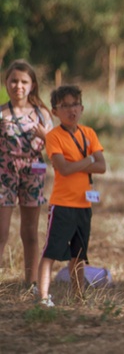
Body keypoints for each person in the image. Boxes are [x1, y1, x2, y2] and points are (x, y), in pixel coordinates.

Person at [36, 85, 107, 307]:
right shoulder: (53, 137)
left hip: (84, 204)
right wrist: (87, 162)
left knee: (78, 255)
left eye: (75, 104)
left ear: (82, 107)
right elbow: (63, 169)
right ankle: (43, 297)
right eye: (64, 106)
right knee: (51, 252)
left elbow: (102, 166)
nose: (71, 110)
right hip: (62, 204)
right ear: (55, 112)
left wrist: (83, 164)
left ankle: (79, 297)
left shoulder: (89, 134)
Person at [0, 60, 52, 289]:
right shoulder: (2, 113)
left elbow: (57, 148)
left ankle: (31, 282)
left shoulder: (42, 114)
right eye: (14, 81)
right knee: (1, 231)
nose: (18, 86)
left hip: (33, 175)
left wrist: (46, 134)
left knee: (30, 231)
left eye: (23, 81)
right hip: (4, 176)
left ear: (32, 85)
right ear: (6, 83)